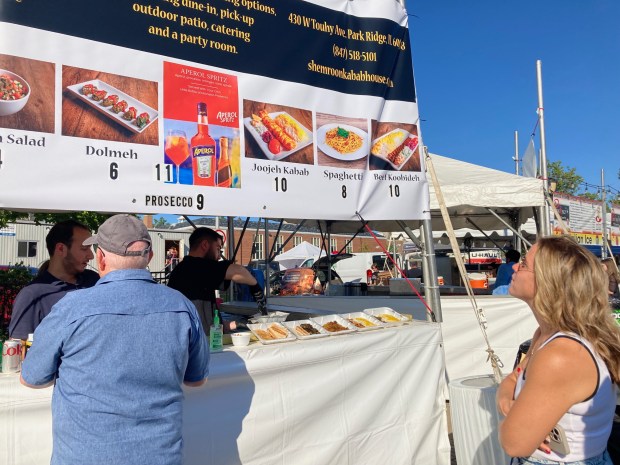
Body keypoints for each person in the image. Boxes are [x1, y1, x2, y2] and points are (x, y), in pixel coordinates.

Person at [20, 214, 210, 465]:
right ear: (150, 257)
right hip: (159, 456)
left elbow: (31, 378)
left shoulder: (71, 308)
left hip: (85, 457)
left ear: (100, 257)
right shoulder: (181, 306)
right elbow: (197, 379)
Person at [496, 236, 620, 464]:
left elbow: (514, 442)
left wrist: (510, 415)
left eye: (524, 264)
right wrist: (508, 403)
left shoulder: (562, 354)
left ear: (548, 282)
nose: (514, 266)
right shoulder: (547, 335)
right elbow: (512, 380)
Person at [9, 219, 99, 340]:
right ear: (61, 249)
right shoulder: (33, 295)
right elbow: (20, 348)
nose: (91, 255)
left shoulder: (94, 280)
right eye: (84, 249)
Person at [167, 227, 266, 335]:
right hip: (201, 343)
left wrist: (229, 324)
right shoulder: (197, 267)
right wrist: (255, 286)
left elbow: (202, 312)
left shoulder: (182, 269)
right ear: (205, 245)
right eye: (218, 249)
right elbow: (238, 271)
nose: (219, 256)